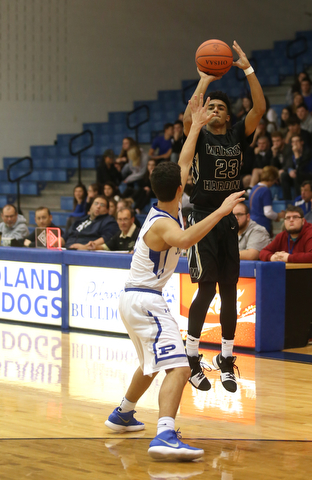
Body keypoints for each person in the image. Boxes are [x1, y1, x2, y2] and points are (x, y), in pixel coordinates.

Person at [105, 94, 245, 461]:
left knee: (150, 365)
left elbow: (184, 160)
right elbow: (186, 238)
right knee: (180, 367)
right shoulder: (164, 224)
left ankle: (123, 412)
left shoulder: (161, 203)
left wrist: (196, 123)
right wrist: (223, 209)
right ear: (182, 189)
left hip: (134, 300)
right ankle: (165, 434)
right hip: (145, 300)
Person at [182, 41, 266, 393]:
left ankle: (226, 358)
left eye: (220, 106)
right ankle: (190, 357)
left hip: (228, 220)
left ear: (228, 115)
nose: (214, 109)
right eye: (210, 106)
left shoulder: (236, 135)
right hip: (203, 219)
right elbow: (189, 117)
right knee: (205, 289)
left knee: (229, 291)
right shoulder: (198, 136)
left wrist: (247, 68)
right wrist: (203, 80)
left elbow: (259, 109)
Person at [249, 166, 285, 234]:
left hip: (252, 223)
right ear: (272, 178)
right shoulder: (265, 190)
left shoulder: (254, 188)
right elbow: (268, 212)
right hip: (261, 225)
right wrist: (278, 215)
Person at [280, 134, 312, 200]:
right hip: (296, 175)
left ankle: (299, 199)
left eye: (297, 141)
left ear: (302, 142)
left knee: (297, 174)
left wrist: (297, 155)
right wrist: (290, 170)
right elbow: (287, 165)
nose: (295, 144)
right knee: (284, 175)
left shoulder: (308, 152)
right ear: (291, 144)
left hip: (307, 174)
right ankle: (287, 201)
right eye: (293, 142)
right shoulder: (290, 152)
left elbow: (300, 168)